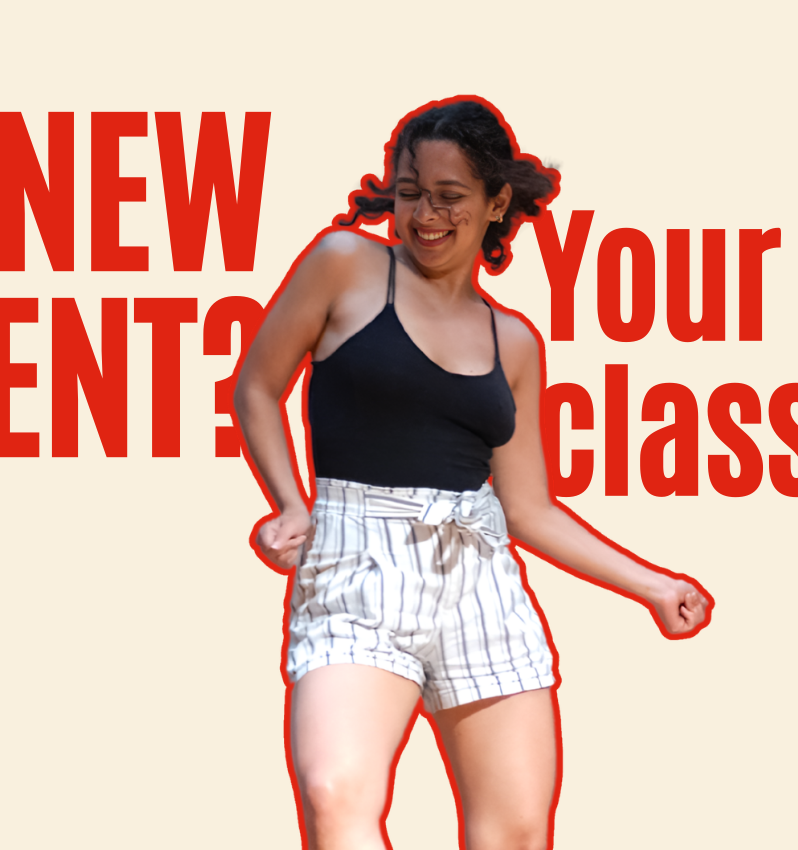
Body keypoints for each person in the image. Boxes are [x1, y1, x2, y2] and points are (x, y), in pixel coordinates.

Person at [233, 96, 711, 850]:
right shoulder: (344, 266)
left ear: (496, 203)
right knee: (335, 793)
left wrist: (653, 584)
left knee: (515, 833)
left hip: (480, 579)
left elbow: (530, 510)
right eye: (410, 190)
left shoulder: (513, 341)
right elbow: (257, 386)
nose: (424, 213)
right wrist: (291, 502)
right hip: (358, 565)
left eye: (449, 196)